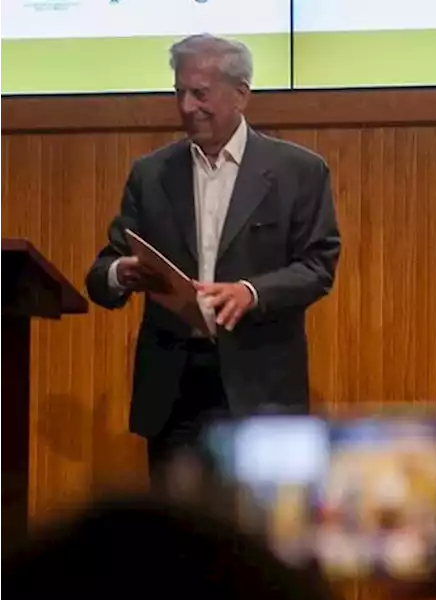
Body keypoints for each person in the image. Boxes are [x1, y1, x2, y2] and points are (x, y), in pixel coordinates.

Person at [84, 34, 341, 480]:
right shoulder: (151, 175)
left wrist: (251, 292)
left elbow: (318, 267)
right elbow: (101, 273)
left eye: (199, 93)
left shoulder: (298, 172)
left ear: (241, 94)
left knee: (257, 532)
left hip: (260, 386)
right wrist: (122, 273)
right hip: (173, 389)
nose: (187, 106)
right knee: (177, 536)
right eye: (178, 92)